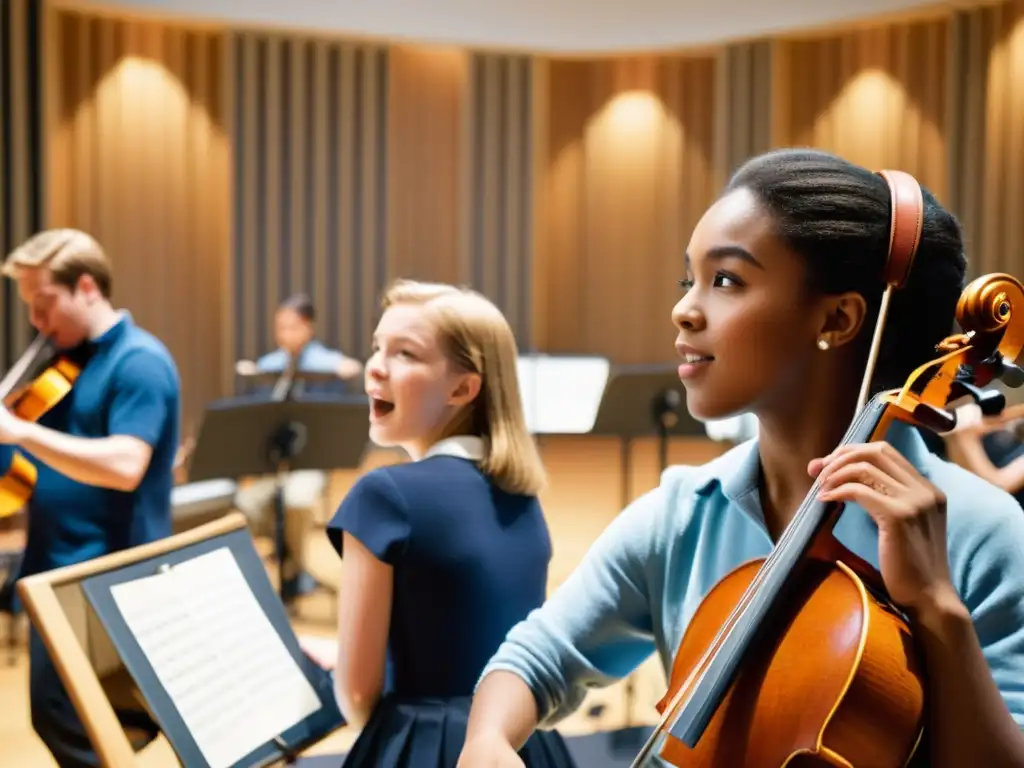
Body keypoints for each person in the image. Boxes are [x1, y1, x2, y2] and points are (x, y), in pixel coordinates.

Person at [457, 149, 1024, 768]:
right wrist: (487, 743)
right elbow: (535, 660)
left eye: (726, 280)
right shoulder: (683, 513)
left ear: (837, 318)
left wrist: (938, 607)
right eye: (689, 280)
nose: (684, 309)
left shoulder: (982, 533)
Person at [322, 279, 575, 768]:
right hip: (524, 745)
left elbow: (356, 696)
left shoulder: (385, 496)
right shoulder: (522, 493)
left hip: (427, 747)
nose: (376, 366)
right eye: (378, 347)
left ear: (463, 387)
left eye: (405, 354)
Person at [1, 229, 180, 767]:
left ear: (85, 287)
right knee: (66, 718)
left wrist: (20, 432)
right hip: (56, 568)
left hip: (106, 575)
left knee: (81, 722)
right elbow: (32, 470)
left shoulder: (139, 362)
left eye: (44, 303)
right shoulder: (64, 366)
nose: (35, 321)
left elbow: (126, 466)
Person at [233, 293, 363, 599]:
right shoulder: (272, 364)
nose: (284, 335)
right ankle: (285, 556)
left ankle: (294, 569)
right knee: (246, 503)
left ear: (308, 328)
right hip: (274, 464)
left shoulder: (323, 361)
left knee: (297, 500)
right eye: (280, 328)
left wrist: (349, 370)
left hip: (309, 461)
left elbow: (350, 367)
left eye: (292, 327)